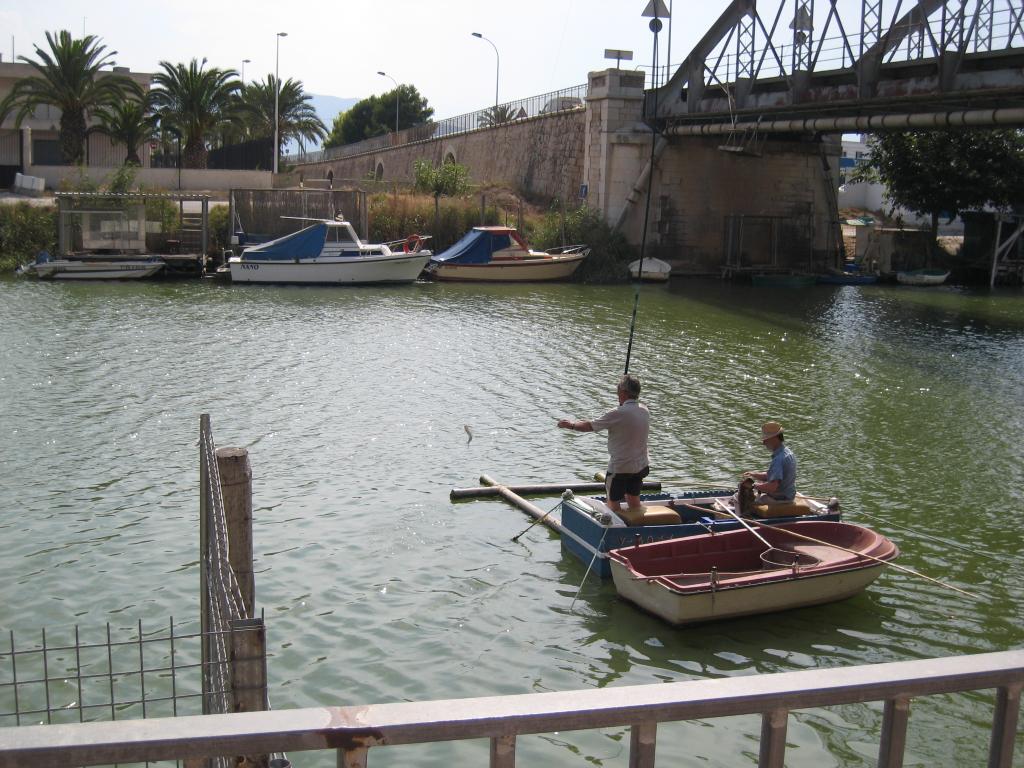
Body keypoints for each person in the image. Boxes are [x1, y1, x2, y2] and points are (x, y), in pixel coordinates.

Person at [557, 374, 649, 513]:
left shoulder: (617, 413)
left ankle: (618, 531)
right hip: (641, 466)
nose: (617, 394)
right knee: (634, 501)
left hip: (620, 469)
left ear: (623, 393)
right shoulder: (644, 410)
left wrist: (570, 425)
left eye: (618, 391)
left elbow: (590, 426)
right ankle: (638, 523)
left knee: (613, 506)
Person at [743, 420, 797, 505]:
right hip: (789, 496)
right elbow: (772, 476)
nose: (764, 443)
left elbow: (772, 487)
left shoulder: (778, 459)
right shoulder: (788, 452)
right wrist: (753, 474)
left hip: (780, 499)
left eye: (766, 439)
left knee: (744, 502)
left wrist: (753, 486)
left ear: (775, 438)